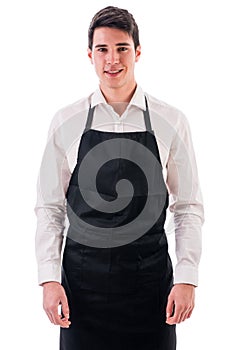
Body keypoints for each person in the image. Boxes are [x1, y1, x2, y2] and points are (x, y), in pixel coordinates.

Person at [35, 6, 204, 350]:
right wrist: (49, 280)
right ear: (90, 55)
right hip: (82, 292)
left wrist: (187, 278)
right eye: (103, 49)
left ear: (138, 52)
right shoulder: (66, 121)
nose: (112, 59)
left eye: (122, 48)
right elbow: (49, 208)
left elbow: (188, 206)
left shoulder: (170, 120)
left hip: (150, 288)